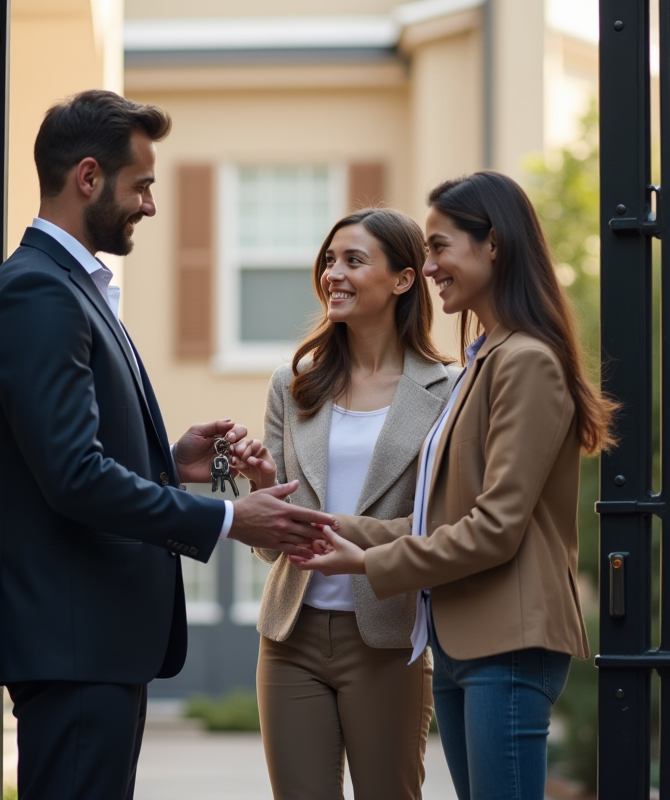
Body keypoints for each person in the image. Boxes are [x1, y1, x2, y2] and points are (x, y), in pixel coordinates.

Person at [0, 90, 336, 800]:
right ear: (87, 178)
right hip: (73, 638)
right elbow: (72, 476)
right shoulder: (39, 295)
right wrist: (230, 518)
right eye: (143, 186)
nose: (151, 206)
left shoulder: (68, 287)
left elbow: (64, 454)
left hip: (89, 639)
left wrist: (172, 464)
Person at [292, 172, 617, 800]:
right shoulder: (483, 359)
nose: (431, 263)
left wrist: (371, 562)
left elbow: (495, 528)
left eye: (440, 246)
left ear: (491, 243)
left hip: (509, 641)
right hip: (463, 637)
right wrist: (326, 526)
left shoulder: (526, 360)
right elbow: (437, 518)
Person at [251, 208, 459, 799]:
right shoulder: (293, 383)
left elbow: (441, 526)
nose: (332, 273)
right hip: (289, 637)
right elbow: (270, 549)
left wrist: (339, 528)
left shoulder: (449, 389)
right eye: (329, 260)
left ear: (403, 279)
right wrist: (264, 488)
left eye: (353, 260)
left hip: (388, 637)